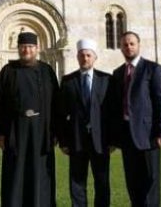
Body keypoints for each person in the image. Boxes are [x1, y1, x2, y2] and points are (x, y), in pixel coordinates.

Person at [0, 32, 59, 207]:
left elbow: (56, 104)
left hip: (42, 131)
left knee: (40, 172)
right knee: (16, 172)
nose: (26, 50)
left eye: (30, 46)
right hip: (15, 132)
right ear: (18, 48)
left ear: (37, 48)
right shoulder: (8, 71)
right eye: (23, 47)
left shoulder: (47, 71)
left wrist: (55, 132)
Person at [107, 31, 161, 206]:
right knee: (132, 180)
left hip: (148, 134)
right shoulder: (118, 73)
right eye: (125, 44)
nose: (128, 47)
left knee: (150, 180)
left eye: (132, 43)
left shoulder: (152, 69)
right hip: (126, 134)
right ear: (121, 47)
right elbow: (114, 107)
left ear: (138, 45)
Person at [56, 39, 111, 207]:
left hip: (100, 142)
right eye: (82, 55)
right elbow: (60, 114)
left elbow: (112, 113)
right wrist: (63, 141)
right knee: (77, 184)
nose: (85, 58)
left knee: (102, 183)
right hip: (76, 141)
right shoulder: (68, 81)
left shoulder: (106, 80)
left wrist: (113, 140)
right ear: (77, 57)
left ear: (94, 58)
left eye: (88, 55)